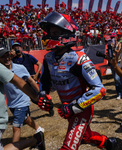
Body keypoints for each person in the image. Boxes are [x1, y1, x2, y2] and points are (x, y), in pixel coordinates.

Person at [39, 11, 117, 150]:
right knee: (85, 136)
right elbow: (44, 82)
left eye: (55, 33)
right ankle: (108, 143)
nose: (49, 36)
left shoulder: (79, 58)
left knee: (68, 147)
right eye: (49, 33)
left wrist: (73, 107)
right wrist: (43, 96)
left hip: (82, 109)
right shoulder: (48, 58)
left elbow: (99, 89)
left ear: (66, 34)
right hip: (67, 108)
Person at [0, 47, 49, 150]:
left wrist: (40, 95)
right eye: (3, 57)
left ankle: (16, 145)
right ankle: (39, 130)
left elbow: (30, 81)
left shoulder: (20, 67)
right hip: (11, 103)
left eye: (7, 55)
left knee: (16, 127)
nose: (6, 58)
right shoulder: (2, 71)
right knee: (26, 118)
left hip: (22, 101)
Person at [11, 43, 54, 116]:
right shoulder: (12, 60)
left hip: (30, 81)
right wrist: (11, 56)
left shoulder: (28, 57)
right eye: (15, 49)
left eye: (18, 47)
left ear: (21, 48)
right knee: (22, 99)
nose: (17, 50)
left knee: (36, 98)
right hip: (20, 83)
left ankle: (48, 107)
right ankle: (26, 115)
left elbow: (39, 64)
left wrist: (36, 75)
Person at [109, 33, 122, 100]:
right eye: (111, 37)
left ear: (116, 38)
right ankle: (119, 93)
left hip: (117, 62)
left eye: (113, 37)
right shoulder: (109, 44)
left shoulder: (119, 44)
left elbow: (119, 52)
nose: (112, 39)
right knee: (115, 80)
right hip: (112, 62)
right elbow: (109, 53)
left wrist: (113, 49)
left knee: (117, 78)